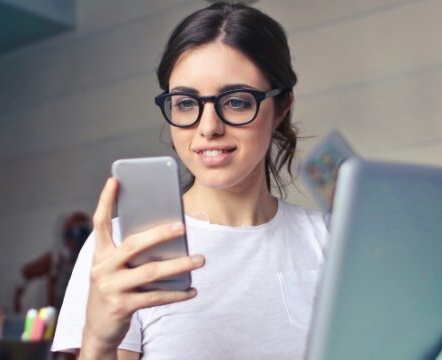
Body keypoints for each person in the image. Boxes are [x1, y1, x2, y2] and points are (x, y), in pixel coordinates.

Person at [52, 3, 328, 359]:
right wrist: (99, 341)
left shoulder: (329, 242)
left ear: (281, 108)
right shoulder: (125, 250)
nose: (208, 127)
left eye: (236, 102)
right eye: (185, 103)